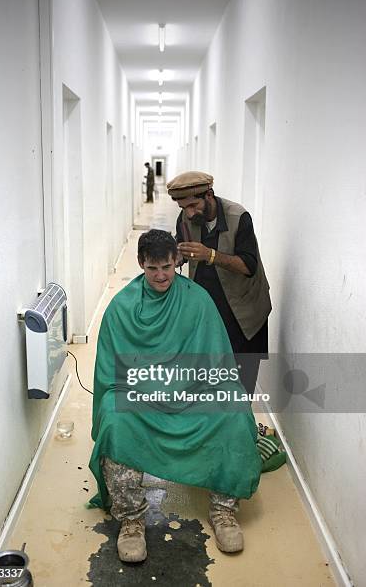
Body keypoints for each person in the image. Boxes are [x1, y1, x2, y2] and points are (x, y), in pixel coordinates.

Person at [88, 229, 262, 563]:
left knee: (235, 408)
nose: (161, 275)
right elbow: (113, 376)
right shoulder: (122, 308)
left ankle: (223, 511)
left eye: (167, 267)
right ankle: (132, 520)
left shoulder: (197, 300)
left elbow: (217, 363)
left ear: (177, 262)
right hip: (143, 396)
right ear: (141, 264)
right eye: (153, 268)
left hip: (191, 390)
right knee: (113, 415)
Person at [167, 171, 271, 396]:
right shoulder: (185, 218)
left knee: (242, 381)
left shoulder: (239, 217)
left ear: (209, 195)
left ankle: (241, 424)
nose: (190, 213)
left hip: (244, 312)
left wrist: (211, 255)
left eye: (194, 205)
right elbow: (183, 250)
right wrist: (175, 259)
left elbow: (248, 266)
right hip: (208, 309)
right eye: (183, 208)